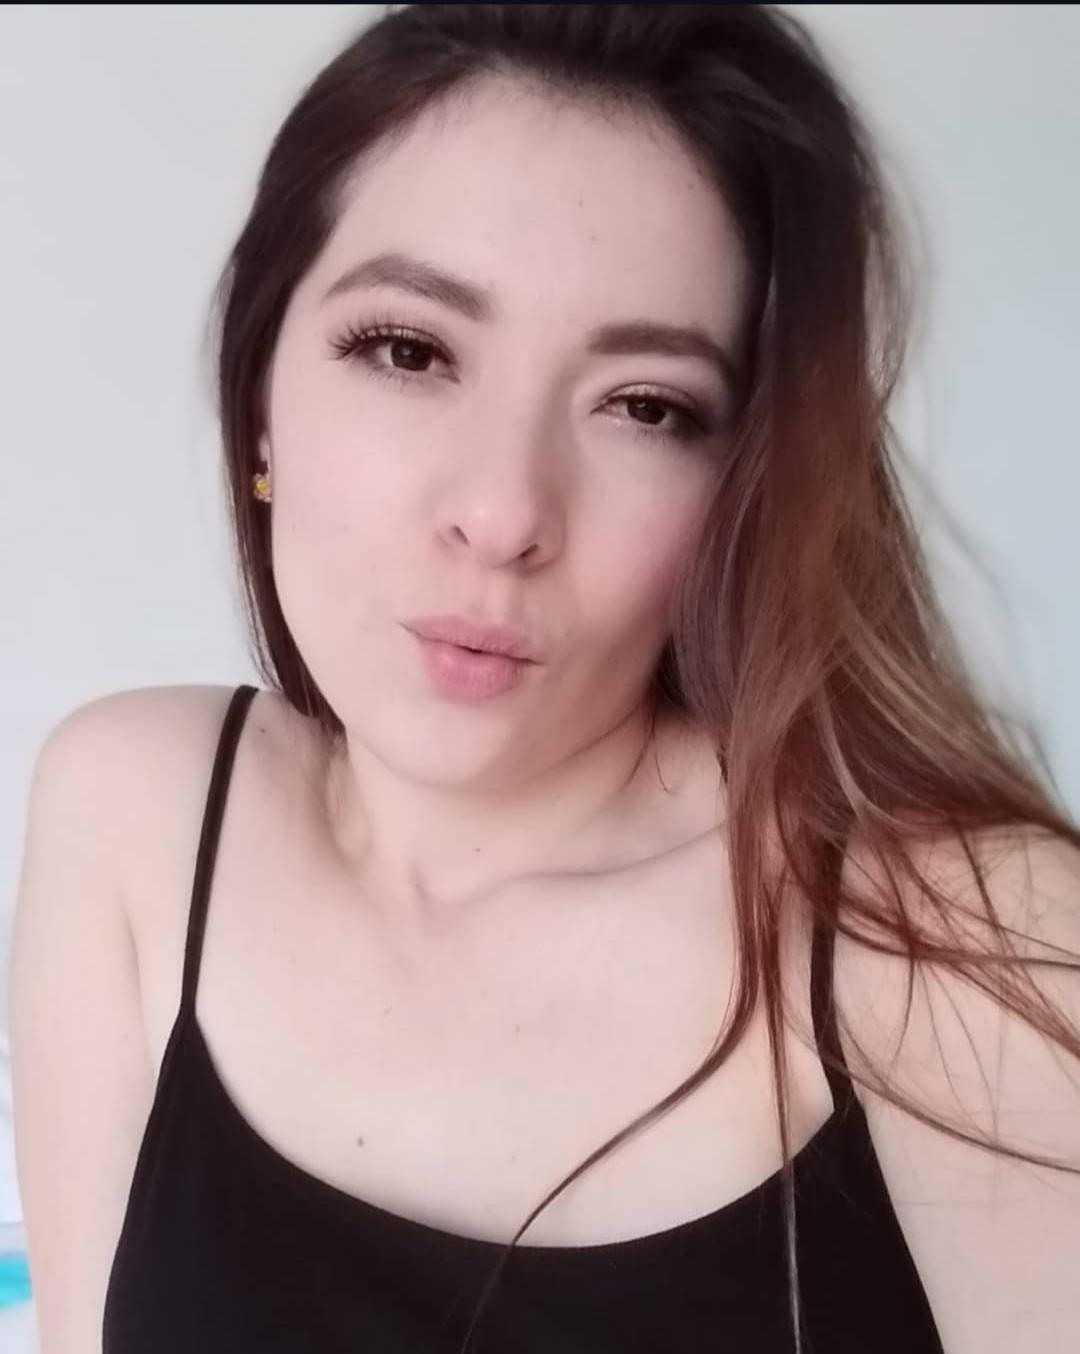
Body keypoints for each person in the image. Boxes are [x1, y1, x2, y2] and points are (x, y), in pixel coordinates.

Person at [9, 5, 1080, 1352]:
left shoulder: (958, 942)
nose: (506, 512)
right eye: (410, 350)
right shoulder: (137, 818)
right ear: (261, 395)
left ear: (745, 485)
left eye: (646, 406)